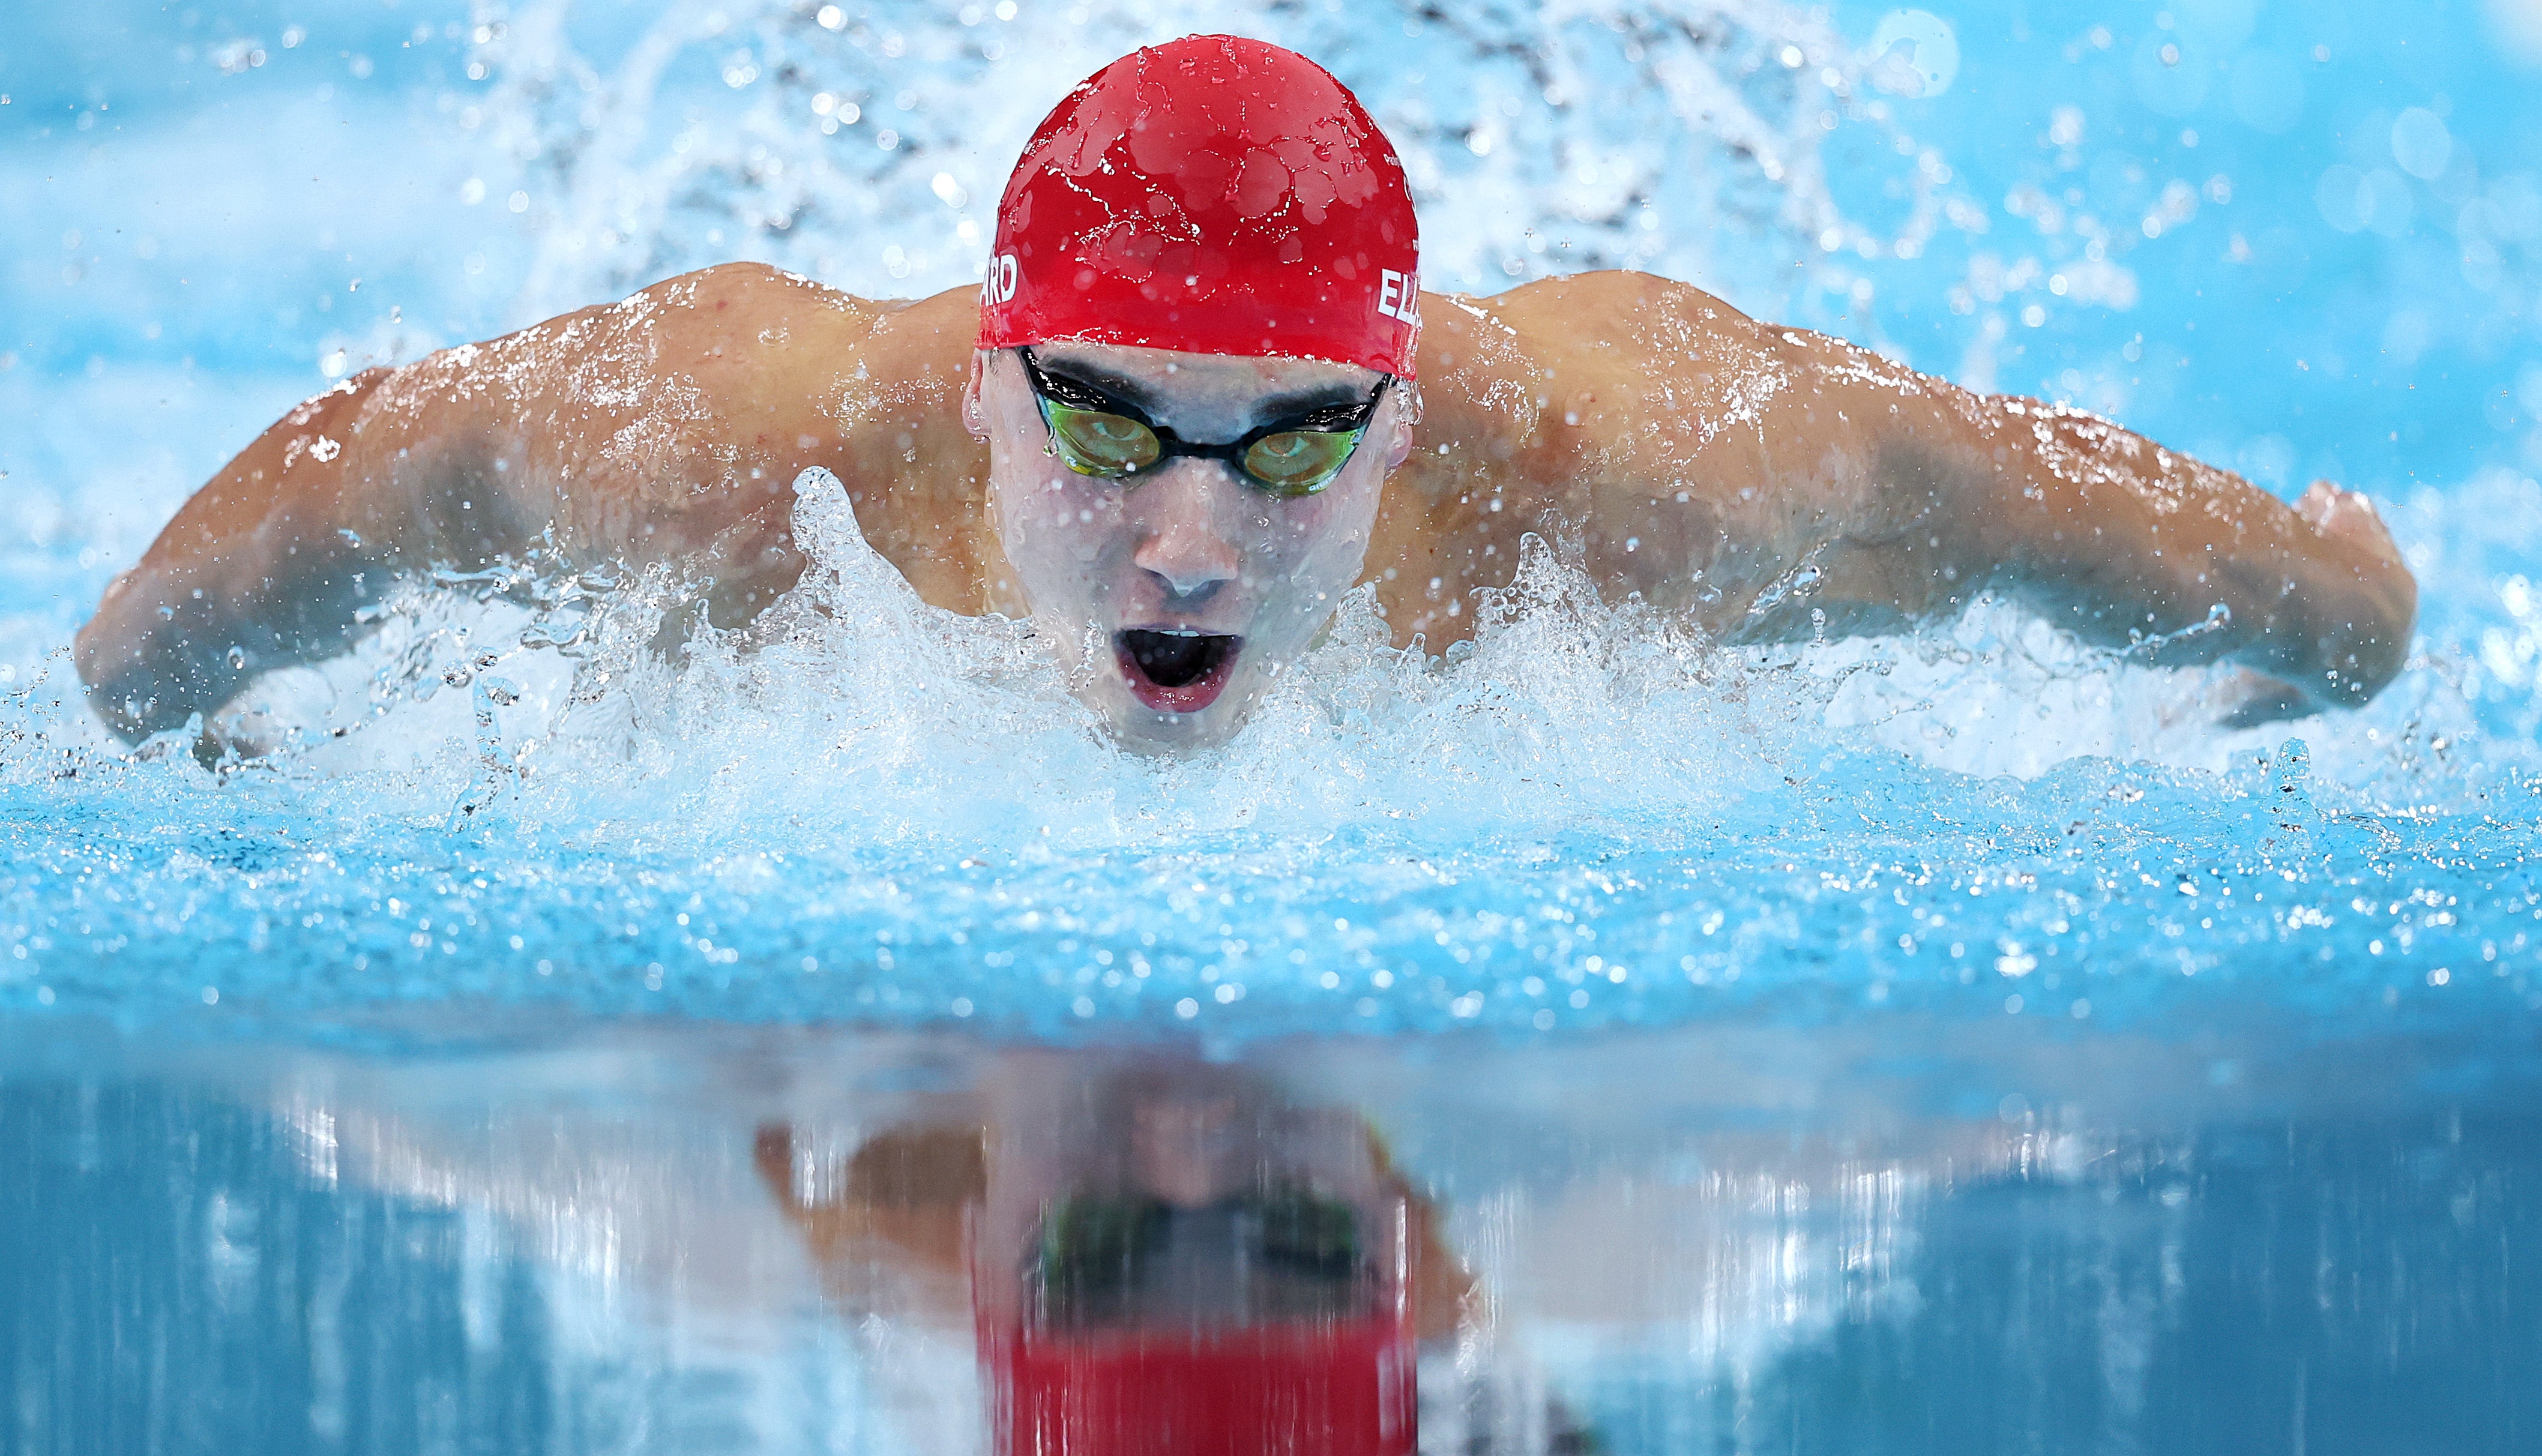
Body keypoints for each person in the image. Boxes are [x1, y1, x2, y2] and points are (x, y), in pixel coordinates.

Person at [75, 34, 2416, 759]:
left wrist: (2341, 616)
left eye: (1291, 441)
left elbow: (2108, 526)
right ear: (985, 388)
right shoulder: (717, 447)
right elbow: (346, 483)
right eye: (1105, 424)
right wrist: (114, 714)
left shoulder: (1658, 478)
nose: (1190, 538)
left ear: (1398, 426)